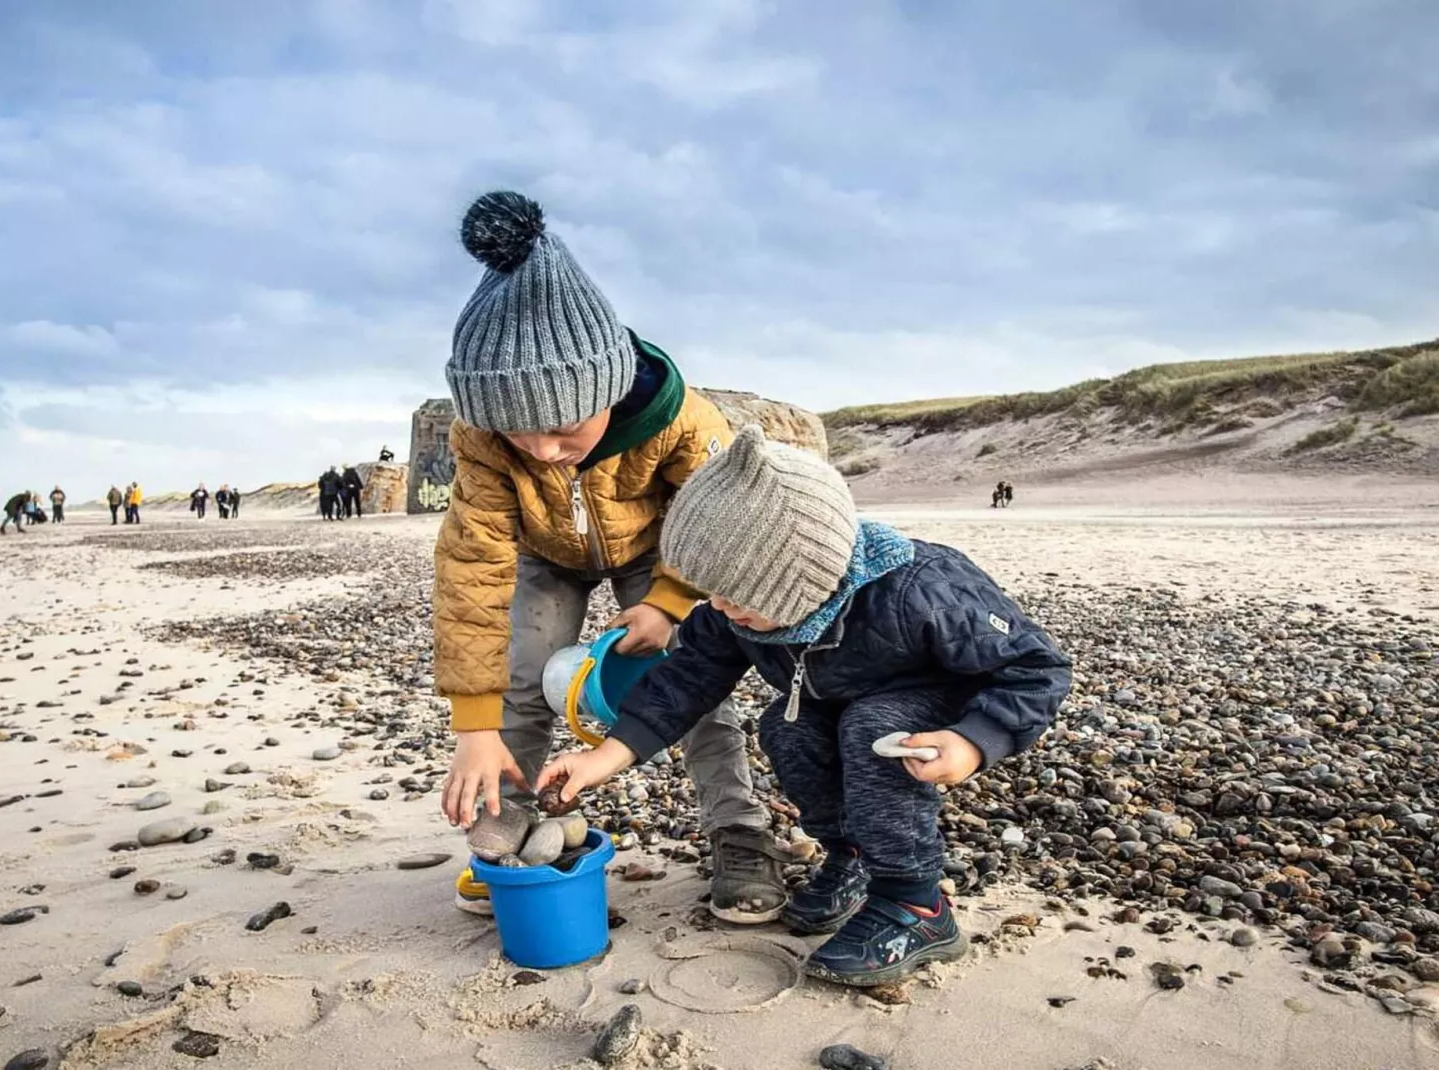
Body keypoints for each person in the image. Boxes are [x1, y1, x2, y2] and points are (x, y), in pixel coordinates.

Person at [539, 427, 1073, 987]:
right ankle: (854, 854)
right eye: (710, 592)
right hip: (834, 697)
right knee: (786, 728)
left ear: (801, 583)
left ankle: (917, 905)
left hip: (935, 706)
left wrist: (974, 739)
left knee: (872, 729)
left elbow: (1037, 668)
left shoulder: (923, 588)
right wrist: (607, 755)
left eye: (736, 596)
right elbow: (689, 677)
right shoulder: (736, 611)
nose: (720, 609)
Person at [435, 191, 778, 923]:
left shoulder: (682, 421)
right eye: (515, 434)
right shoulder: (482, 441)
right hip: (544, 554)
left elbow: (718, 520)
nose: (541, 451)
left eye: (560, 429)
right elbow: (473, 569)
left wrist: (668, 600)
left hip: (661, 551)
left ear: (608, 386)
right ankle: (512, 836)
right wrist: (472, 724)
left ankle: (740, 833)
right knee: (521, 685)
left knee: (690, 681)